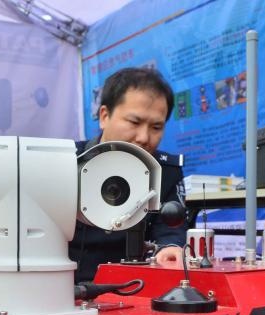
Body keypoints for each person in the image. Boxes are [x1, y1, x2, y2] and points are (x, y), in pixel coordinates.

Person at [71, 67, 188, 283]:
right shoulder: (65, 161)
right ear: (104, 116)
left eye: (156, 127)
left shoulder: (166, 171)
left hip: (133, 287)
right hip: (64, 287)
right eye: (134, 122)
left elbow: (171, 229)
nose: (144, 137)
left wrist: (170, 249)